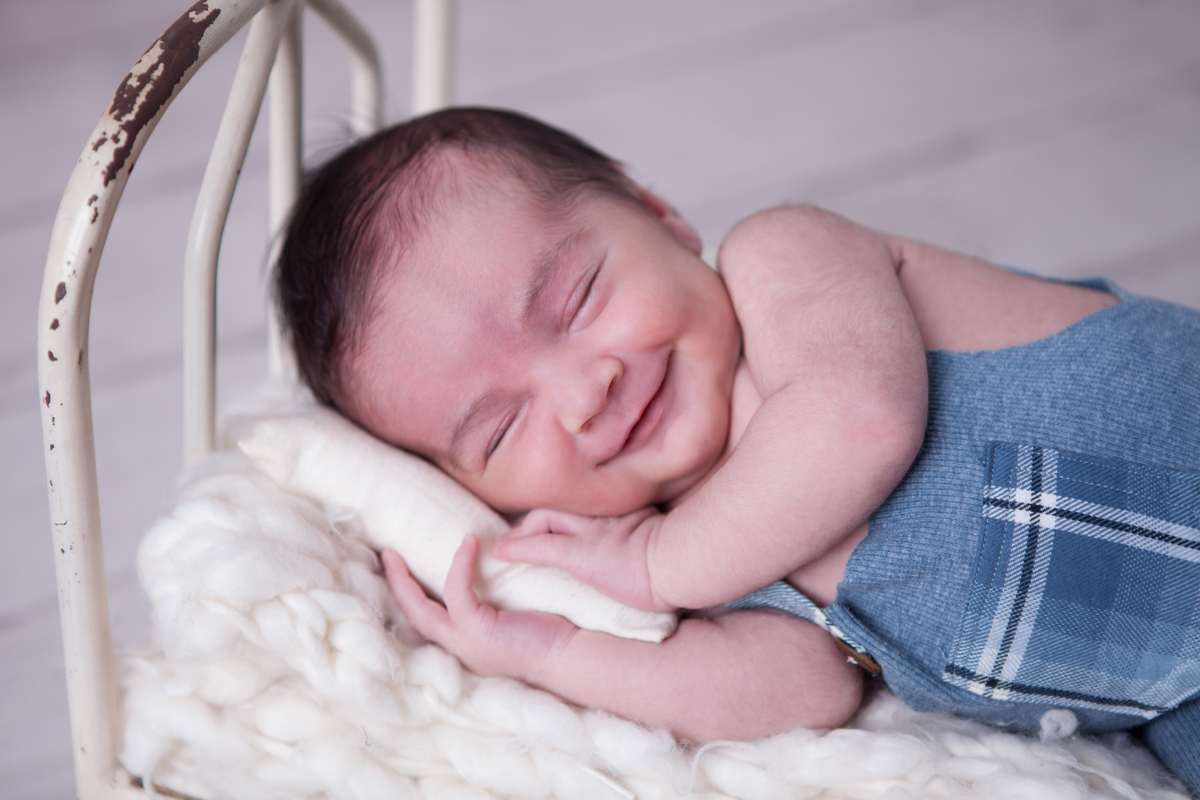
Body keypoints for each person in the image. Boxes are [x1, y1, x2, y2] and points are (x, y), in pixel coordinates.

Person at [275, 107, 1200, 793]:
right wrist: (552, 652)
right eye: (501, 429)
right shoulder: (716, 565)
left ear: (662, 216)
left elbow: (859, 420)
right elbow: (801, 693)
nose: (582, 391)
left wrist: (657, 564)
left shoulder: (783, 266)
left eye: (578, 299)